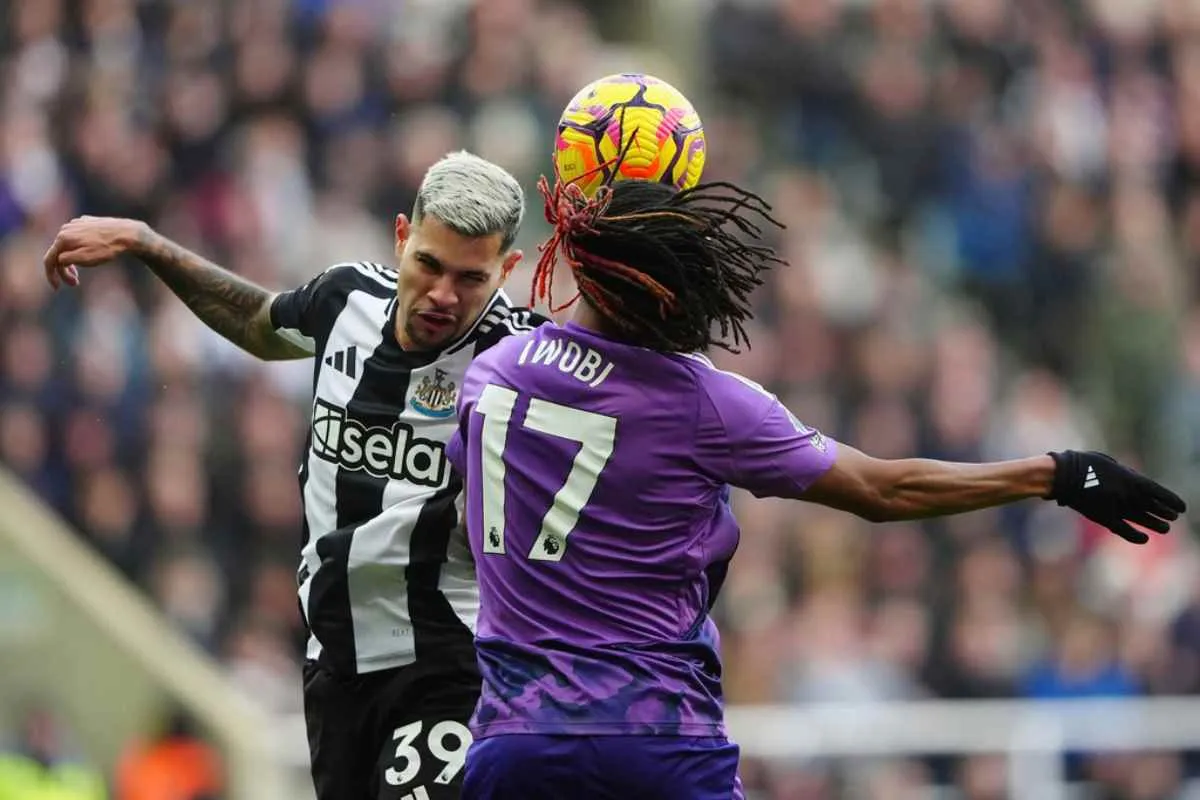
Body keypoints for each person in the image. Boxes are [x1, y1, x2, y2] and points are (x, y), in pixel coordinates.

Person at [445, 176, 1186, 799]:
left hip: (518, 742)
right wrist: (1055, 473)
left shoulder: (494, 373)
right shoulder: (704, 401)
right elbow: (883, 489)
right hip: (654, 738)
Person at [42, 151, 546, 800]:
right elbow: (259, 324)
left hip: (447, 662)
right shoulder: (345, 300)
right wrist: (148, 243)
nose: (444, 295)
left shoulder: (523, 359)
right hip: (335, 662)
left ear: (507, 269)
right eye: (429, 265)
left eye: (471, 279)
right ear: (402, 237)